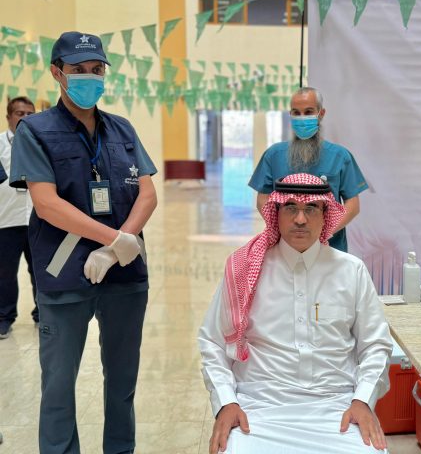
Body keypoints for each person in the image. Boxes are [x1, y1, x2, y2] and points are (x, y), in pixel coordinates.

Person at [9, 31, 157, 454]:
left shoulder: (122, 129)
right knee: (58, 386)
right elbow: (46, 203)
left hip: (125, 272)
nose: (89, 77)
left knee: (123, 382)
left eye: (96, 69)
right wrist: (114, 239)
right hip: (64, 274)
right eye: (78, 70)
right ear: (57, 73)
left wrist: (116, 249)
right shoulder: (35, 130)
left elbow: (147, 193)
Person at [198, 173, 392, 454]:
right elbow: (213, 342)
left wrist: (362, 400)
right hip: (258, 407)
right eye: (290, 207)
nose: (300, 219)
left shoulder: (351, 270)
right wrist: (227, 402)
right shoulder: (244, 269)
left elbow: (375, 345)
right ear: (275, 213)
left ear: (326, 215)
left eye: (311, 208)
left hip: (337, 406)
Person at [248, 87, 368, 252]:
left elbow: (353, 205)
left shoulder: (340, 156)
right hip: (285, 246)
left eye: (308, 112)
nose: (302, 117)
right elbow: (263, 199)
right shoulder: (273, 155)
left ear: (321, 113)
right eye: (296, 113)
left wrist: (322, 233)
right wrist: (283, 229)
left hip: (329, 247)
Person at [0, 96, 38, 340]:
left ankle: (43, 314)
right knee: (4, 274)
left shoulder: (41, 143)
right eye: (19, 113)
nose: (25, 118)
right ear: (8, 117)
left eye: (30, 114)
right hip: (5, 220)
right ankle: (4, 317)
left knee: (41, 271)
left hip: (38, 219)